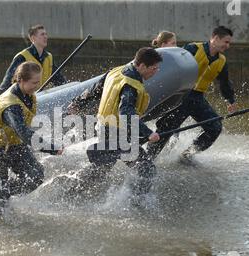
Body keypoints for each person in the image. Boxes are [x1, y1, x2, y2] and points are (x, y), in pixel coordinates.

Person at [72, 48, 162, 198]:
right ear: (142, 66)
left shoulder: (116, 71)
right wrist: (148, 133)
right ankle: (136, 202)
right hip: (116, 133)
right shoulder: (130, 86)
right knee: (146, 168)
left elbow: (95, 89)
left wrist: (78, 102)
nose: (156, 72)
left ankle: (73, 192)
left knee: (102, 169)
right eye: (153, 68)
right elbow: (126, 113)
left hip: (103, 127)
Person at [0, 61, 63, 211]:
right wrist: (51, 148)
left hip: (15, 146)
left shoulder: (27, 93)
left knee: (35, 176)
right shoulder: (10, 105)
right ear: (20, 80)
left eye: (38, 82)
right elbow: (24, 132)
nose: (37, 86)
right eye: (34, 83)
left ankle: (3, 192)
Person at [147, 26, 237, 162]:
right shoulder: (193, 49)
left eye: (229, 43)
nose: (228, 46)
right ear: (216, 38)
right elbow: (171, 65)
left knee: (215, 127)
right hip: (180, 96)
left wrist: (230, 100)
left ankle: (187, 155)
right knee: (166, 129)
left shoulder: (222, 61)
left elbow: (224, 83)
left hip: (197, 99)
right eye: (226, 42)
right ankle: (147, 160)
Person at [0, 24, 67, 98]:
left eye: (46, 34)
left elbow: (60, 80)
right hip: (21, 98)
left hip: (38, 97)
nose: (45, 37)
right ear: (33, 38)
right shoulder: (22, 57)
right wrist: (2, 98)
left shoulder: (49, 57)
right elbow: (7, 82)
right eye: (42, 34)